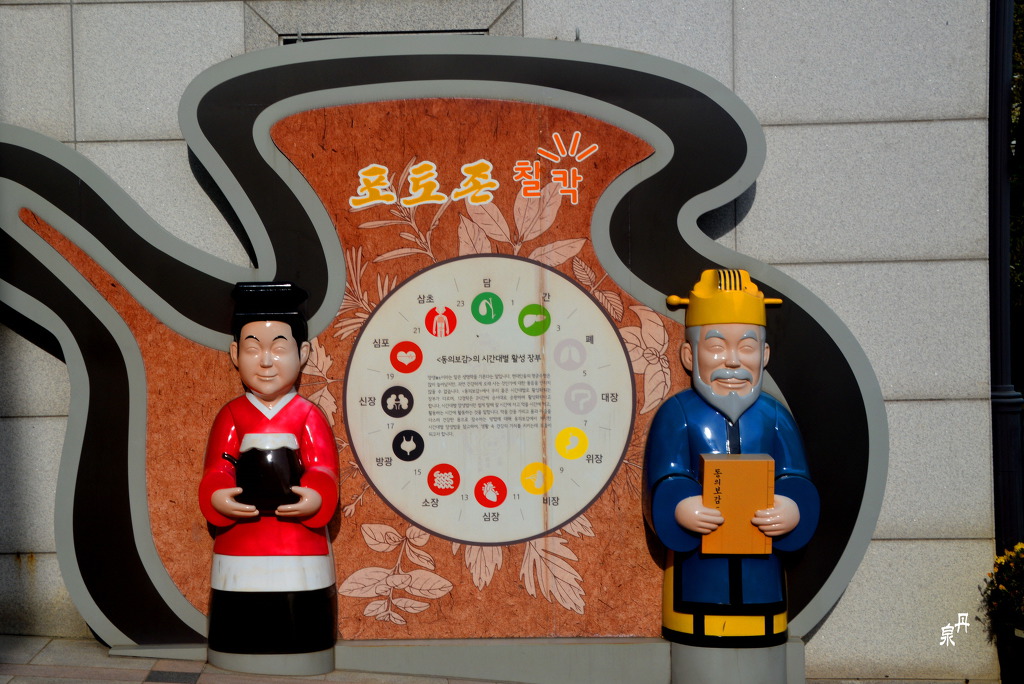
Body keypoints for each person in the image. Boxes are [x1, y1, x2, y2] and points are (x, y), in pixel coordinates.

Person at [643, 269, 819, 650]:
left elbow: (796, 476)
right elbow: (664, 475)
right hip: (696, 580)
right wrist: (680, 506)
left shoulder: (775, 416)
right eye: (717, 346)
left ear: (765, 355)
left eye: (748, 347)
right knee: (697, 634)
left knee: (763, 630)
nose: (734, 361)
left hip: (764, 580)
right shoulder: (678, 414)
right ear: (689, 354)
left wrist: (791, 507)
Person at [198, 282, 339, 675]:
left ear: (302, 353)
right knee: (240, 608)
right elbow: (217, 468)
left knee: (298, 607)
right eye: (252, 348)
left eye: (278, 348)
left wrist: (315, 496)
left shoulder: (308, 416)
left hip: (298, 541)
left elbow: (323, 467)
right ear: (234, 354)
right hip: (241, 538)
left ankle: (305, 650)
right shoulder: (232, 415)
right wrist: (219, 495)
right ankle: (236, 650)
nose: (265, 362)